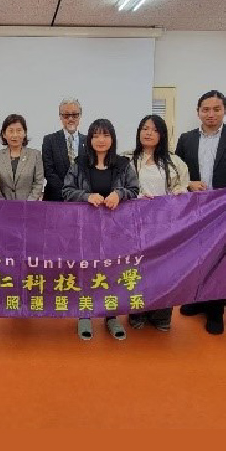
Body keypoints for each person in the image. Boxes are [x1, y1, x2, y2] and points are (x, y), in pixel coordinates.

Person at [175, 90, 226, 334]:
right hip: (194, 211)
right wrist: (189, 183)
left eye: (216, 109)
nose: (211, 114)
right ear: (198, 112)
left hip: (225, 211)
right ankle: (197, 300)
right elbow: (177, 173)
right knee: (194, 256)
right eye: (206, 110)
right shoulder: (186, 139)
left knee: (219, 259)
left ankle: (215, 310)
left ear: (225, 111)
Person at [63, 118, 139, 341]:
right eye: (96, 135)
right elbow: (66, 191)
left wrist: (120, 194)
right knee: (85, 270)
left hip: (116, 230)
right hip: (84, 230)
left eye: (105, 135)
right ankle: (84, 314)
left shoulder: (124, 164)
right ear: (89, 140)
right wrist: (86, 196)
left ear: (112, 139)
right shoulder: (79, 164)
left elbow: (134, 189)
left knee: (112, 271)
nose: (101, 140)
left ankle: (111, 315)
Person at [128, 114, 190, 332]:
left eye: (154, 130)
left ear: (162, 135)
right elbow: (122, 188)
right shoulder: (127, 160)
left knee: (165, 270)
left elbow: (183, 188)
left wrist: (180, 192)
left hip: (166, 226)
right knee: (137, 269)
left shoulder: (175, 162)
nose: (149, 133)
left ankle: (162, 314)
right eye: (145, 128)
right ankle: (136, 312)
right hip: (135, 226)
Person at [42, 98, 86, 201]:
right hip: (55, 198)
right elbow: (49, 171)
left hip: (82, 199)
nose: (71, 119)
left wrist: (79, 194)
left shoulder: (89, 141)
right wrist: (68, 193)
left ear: (80, 116)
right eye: (66, 115)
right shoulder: (49, 140)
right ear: (60, 116)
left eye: (75, 115)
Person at [0, 114, 44, 201]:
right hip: (3, 206)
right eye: (11, 131)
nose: (15, 135)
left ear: (25, 133)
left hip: (29, 206)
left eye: (19, 130)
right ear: (4, 134)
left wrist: (28, 204)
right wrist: (3, 203)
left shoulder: (35, 155)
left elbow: (38, 183)